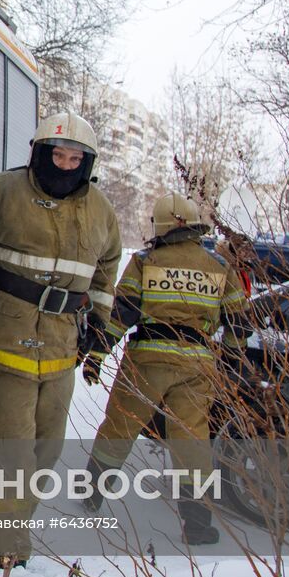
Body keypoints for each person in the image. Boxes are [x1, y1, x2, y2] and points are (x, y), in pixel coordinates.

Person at [0, 112, 121, 567]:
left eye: (76, 158)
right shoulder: (0, 193)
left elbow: (107, 270)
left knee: (44, 454)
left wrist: (100, 325)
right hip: (2, 339)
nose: (66, 165)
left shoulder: (101, 212)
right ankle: (6, 550)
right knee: (9, 454)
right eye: (58, 155)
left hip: (60, 347)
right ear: (40, 152)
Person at [78, 193, 250, 546]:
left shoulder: (145, 261)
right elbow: (240, 322)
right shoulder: (219, 265)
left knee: (119, 427)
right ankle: (198, 524)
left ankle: (91, 494)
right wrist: (231, 363)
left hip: (147, 360)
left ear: (161, 226)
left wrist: (97, 356)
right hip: (196, 364)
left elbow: (121, 313)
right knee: (192, 441)